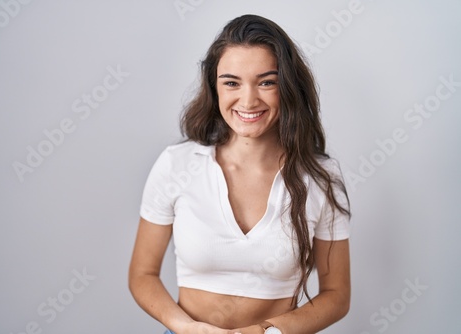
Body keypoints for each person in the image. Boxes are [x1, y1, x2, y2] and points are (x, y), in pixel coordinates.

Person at [129, 14, 351, 334]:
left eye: (266, 82)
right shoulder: (176, 164)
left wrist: (265, 332)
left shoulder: (321, 177)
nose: (248, 100)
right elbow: (142, 273)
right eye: (232, 82)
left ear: (287, 87)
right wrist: (184, 327)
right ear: (214, 87)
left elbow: (337, 295)